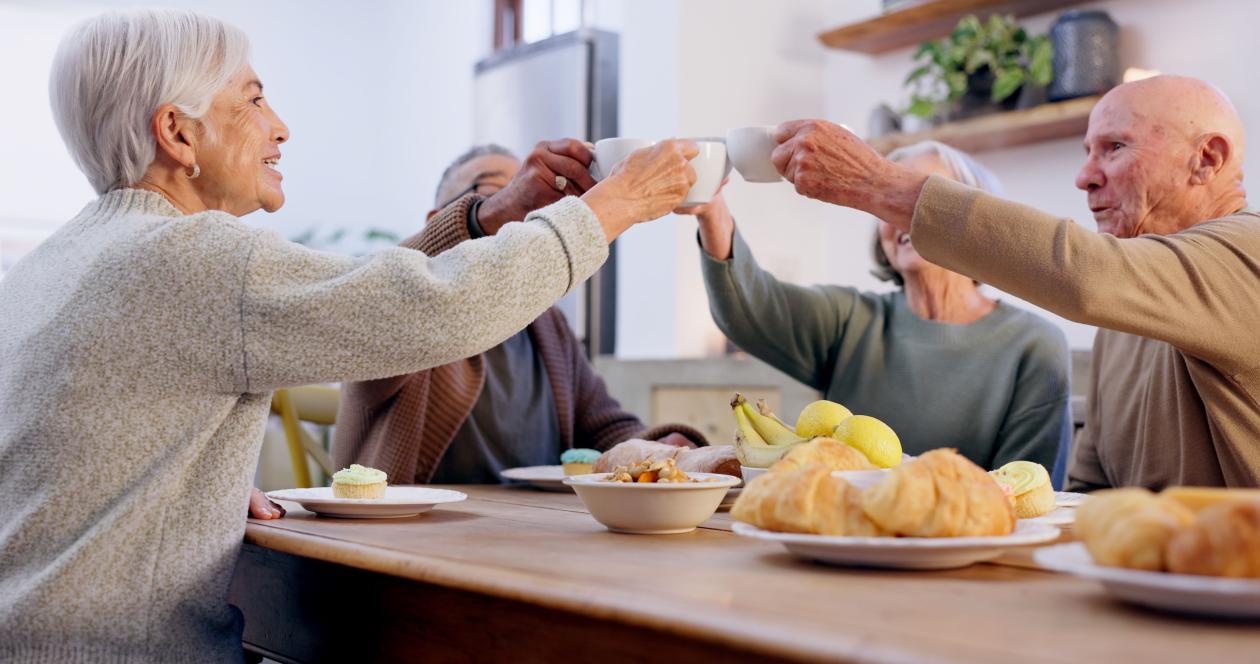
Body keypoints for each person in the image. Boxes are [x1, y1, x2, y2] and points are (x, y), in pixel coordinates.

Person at [0, 9, 697, 661]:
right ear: (178, 133)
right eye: (252, 100)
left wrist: (179, 483)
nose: (280, 127)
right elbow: (434, 309)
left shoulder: (49, 269)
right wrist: (612, 207)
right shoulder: (196, 258)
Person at [769, 75, 1257, 491]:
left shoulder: (1248, 248)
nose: (1084, 176)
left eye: (1115, 147)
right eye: (1087, 152)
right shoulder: (1127, 311)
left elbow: (1084, 275)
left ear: (1208, 160)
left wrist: (875, 183)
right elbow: (1090, 492)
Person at [686, 141, 1071, 476]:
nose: (904, 216)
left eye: (924, 199)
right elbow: (752, 309)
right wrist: (711, 208)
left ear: (976, 223)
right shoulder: (852, 320)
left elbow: (1028, 492)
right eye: (893, 203)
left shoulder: (1034, 345)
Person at [333, 144, 706, 484]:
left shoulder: (548, 324)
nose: (526, 208)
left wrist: (658, 446)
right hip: (410, 541)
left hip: (532, 532)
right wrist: (491, 215)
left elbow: (603, 427)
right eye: (497, 190)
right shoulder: (401, 316)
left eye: (540, 197)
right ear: (438, 220)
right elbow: (392, 288)